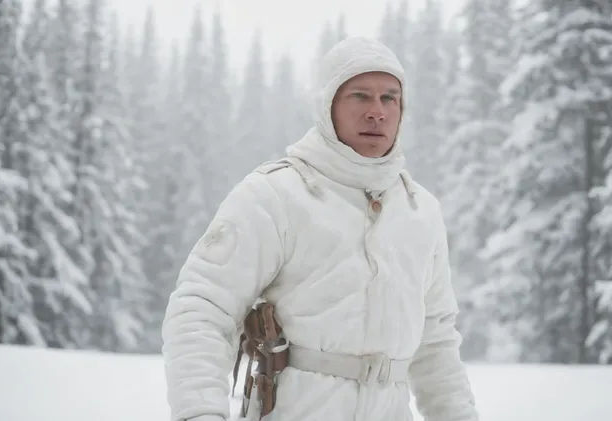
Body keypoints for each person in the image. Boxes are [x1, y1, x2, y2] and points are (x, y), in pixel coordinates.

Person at [161, 36, 479, 421]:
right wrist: (199, 413)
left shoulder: (419, 211)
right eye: (360, 96)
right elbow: (201, 308)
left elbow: (436, 345)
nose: (376, 112)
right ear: (327, 104)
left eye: (389, 98)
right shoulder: (275, 195)